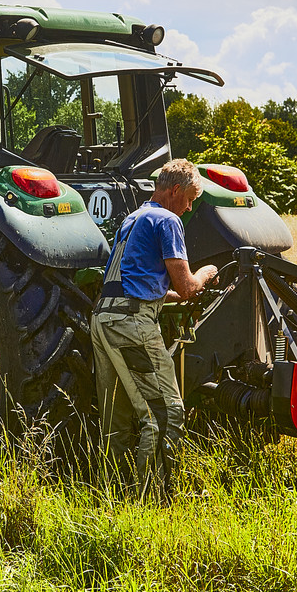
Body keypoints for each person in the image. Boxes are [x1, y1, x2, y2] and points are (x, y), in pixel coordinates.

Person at [91, 158, 218, 498]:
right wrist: (208, 272)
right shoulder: (168, 220)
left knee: (115, 421)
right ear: (175, 190)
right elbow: (190, 287)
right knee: (165, 413)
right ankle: (153, 500)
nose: (190, 207)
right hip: (131, 324)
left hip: (104, 319)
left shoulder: (134, 218)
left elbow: (140, 280)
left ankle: (112, 495)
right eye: (190, 199)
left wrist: (171, 294)